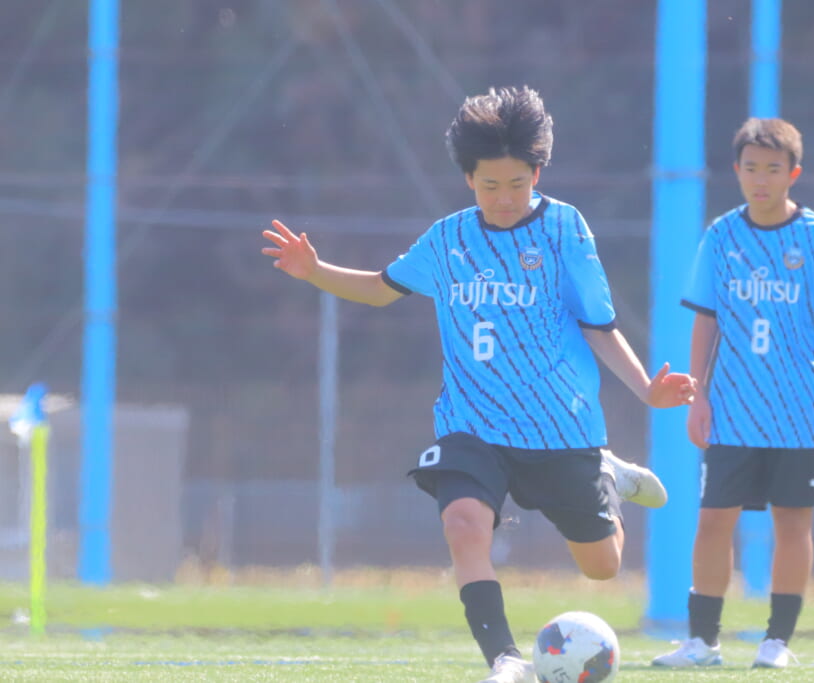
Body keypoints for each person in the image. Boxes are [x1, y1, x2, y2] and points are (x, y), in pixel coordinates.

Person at [262, 86, 696, 683]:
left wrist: (647, 389)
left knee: (602, 566)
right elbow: (381, 289)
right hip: (473, 425)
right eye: (490, 185)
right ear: (468, 178)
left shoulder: (564, 230)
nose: (505, 198)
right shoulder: (447, 240)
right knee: (463, 525)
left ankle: (607, 473)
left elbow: (599, 327)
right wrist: (315, 271)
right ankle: (506, 660)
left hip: (561, 427)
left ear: (537, 173)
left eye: (517, 183)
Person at [651, 117, 814, 670]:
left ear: (793, 173)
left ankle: (777, 642)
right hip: (733, 412)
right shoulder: (721, 236)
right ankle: (703, 643)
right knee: (713, 520)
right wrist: (698, 396)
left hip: (802, 413)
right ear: (737, 171)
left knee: (793, 521)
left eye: (772, 169)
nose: (760, 179)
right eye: (750, 169)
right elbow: (706, 321)